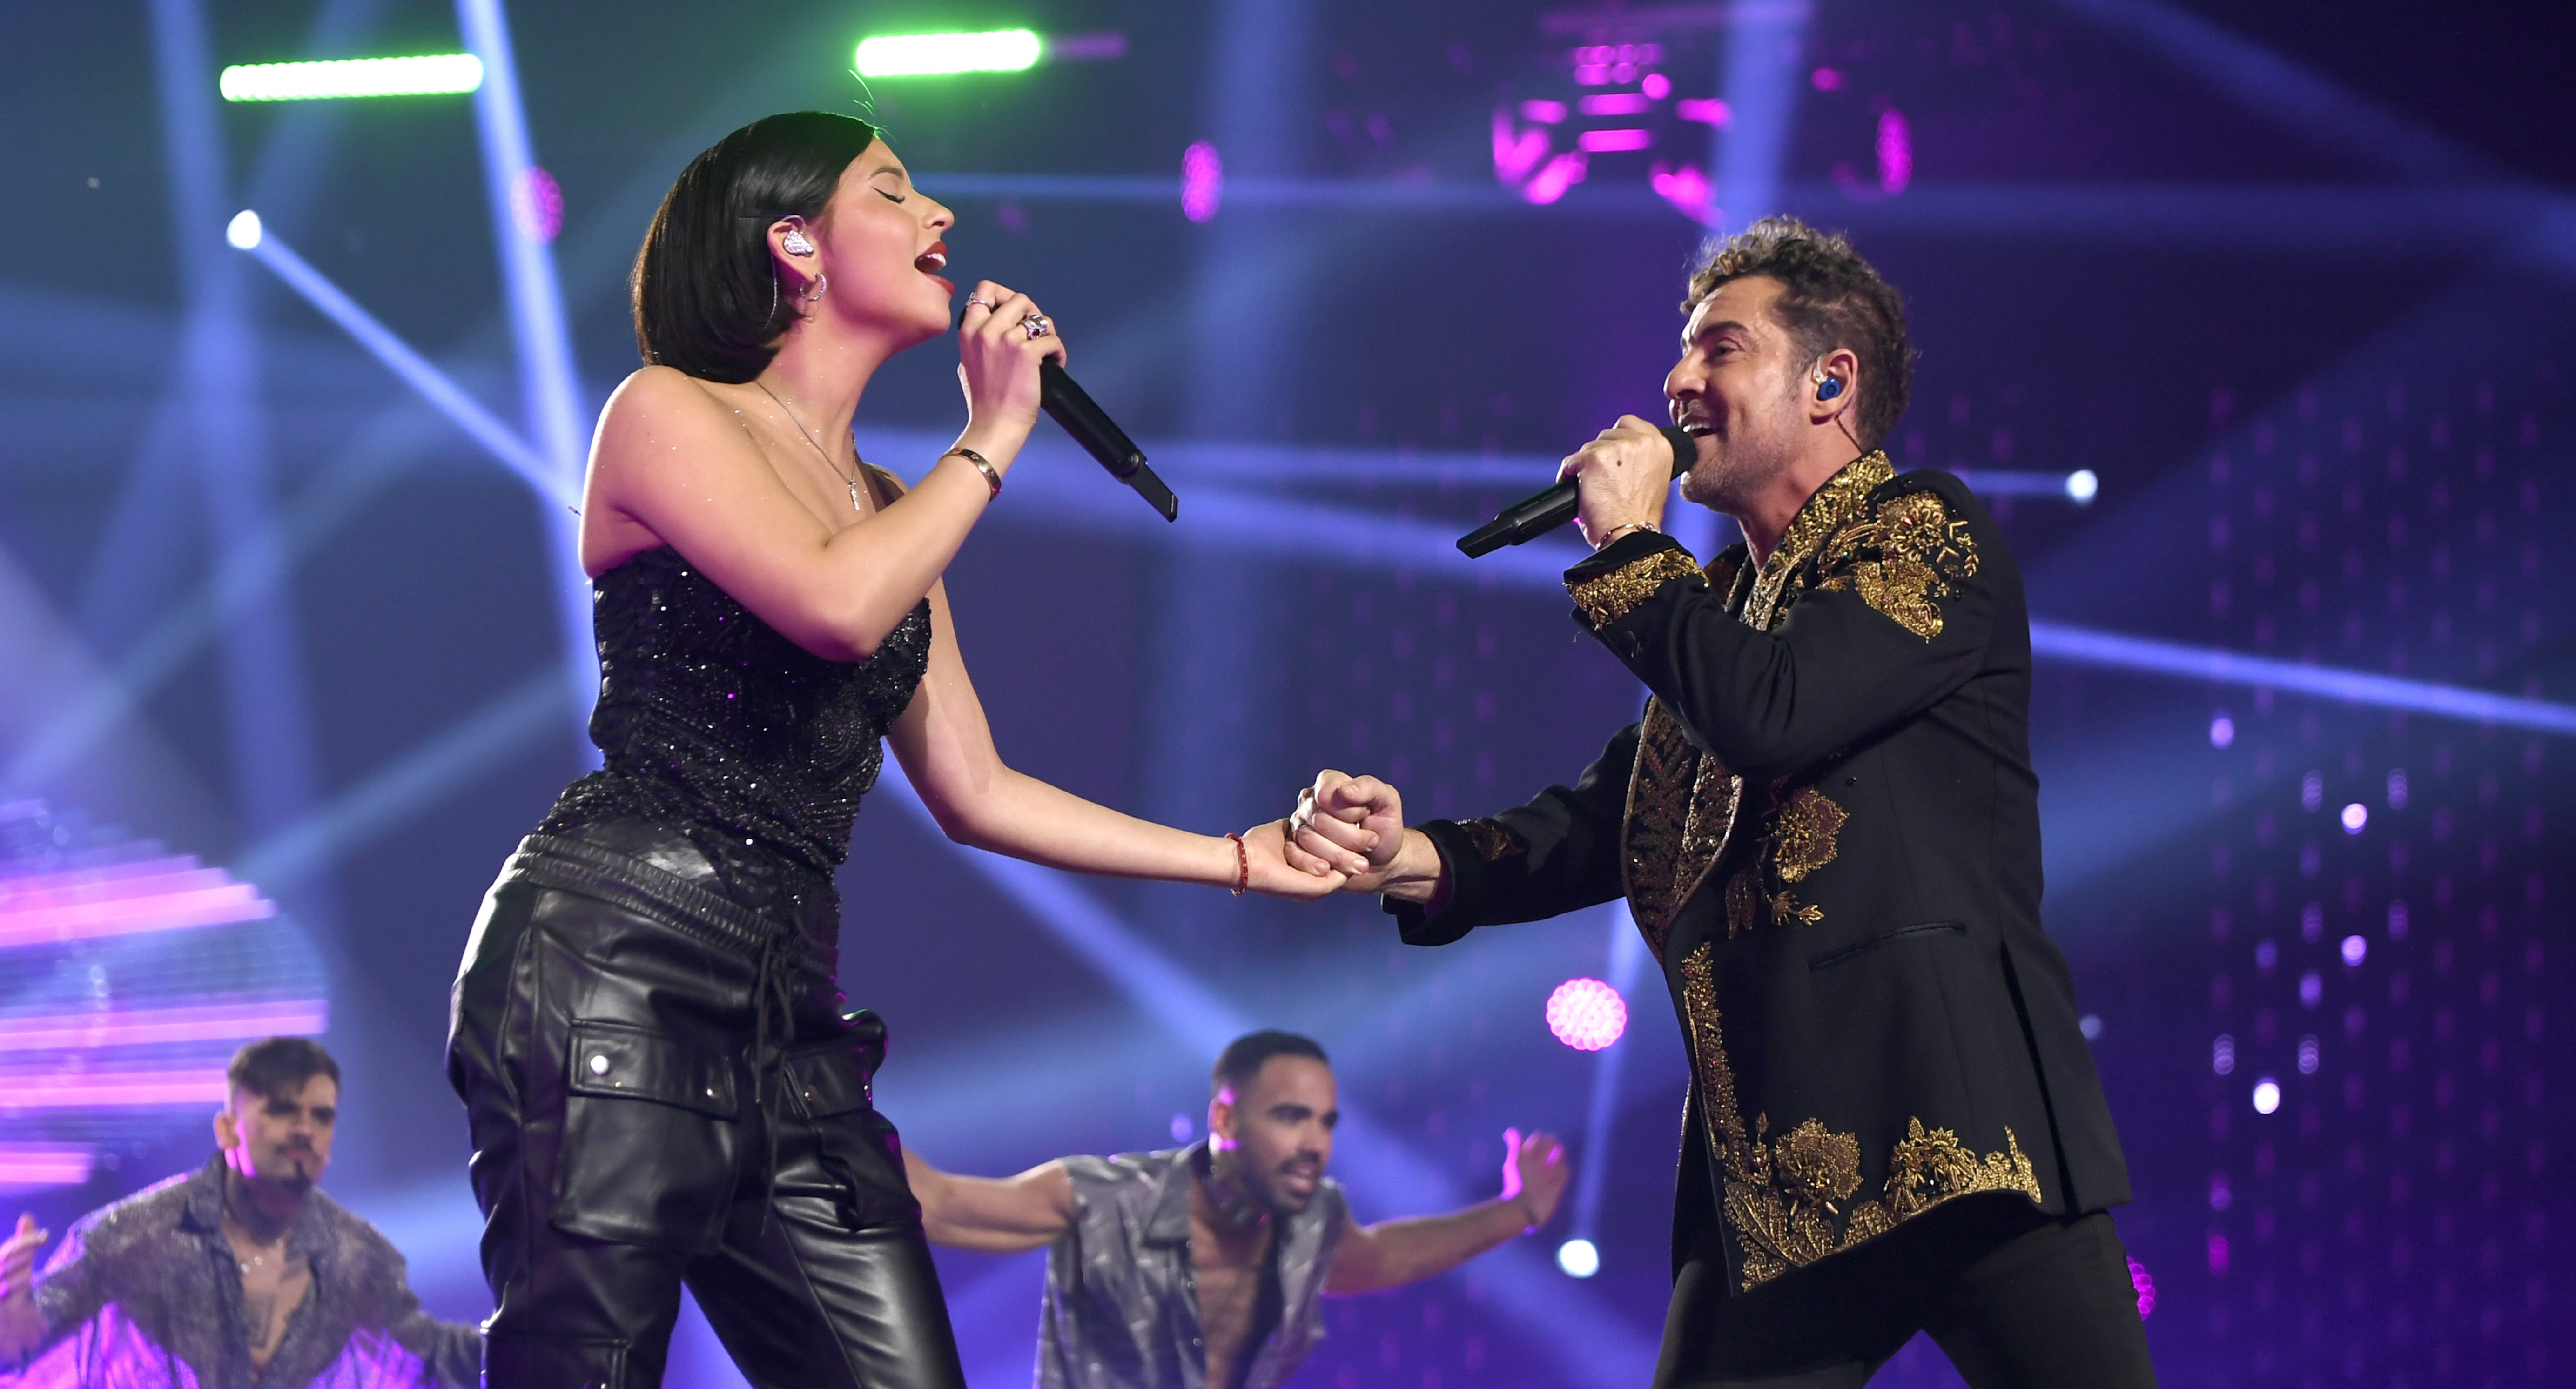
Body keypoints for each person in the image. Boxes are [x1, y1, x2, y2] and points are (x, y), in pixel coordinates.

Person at [444, 110, 1337, 1389]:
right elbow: (831, 604)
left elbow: (975, 790)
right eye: (894, 192)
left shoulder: (885, 509)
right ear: (795, 245)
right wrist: (992, 435)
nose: (942, 221)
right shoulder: (666, 413)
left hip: (793, 1024)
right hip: (616, 963)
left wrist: (1237, 859)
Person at [1285, 217, 2158, 1387]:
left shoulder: (1924, 534)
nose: (1675, 382)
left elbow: (1775, 709)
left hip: (1958, 1142)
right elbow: (1609, 821)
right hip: (1778, 1190)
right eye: (1679, 351)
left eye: (1717, 350)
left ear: (1827, 381)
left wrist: (1631, 549)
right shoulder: (1723, 606)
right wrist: (1411, 855)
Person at [900, 1030, 1569, 1389]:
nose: (1315, 1143)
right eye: (1289, 1117)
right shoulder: (1104, 1197)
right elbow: (939, 1205)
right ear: (1225, 1115)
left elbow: (1383, 1258)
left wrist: (1518, 1212)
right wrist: (823, 1083)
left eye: (1325, 1122)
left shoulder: (1314, 1222)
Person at [0, 1038, 477, 1387]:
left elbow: (430, 1360)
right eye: (282, 1111)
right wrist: (9, 1337)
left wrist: (541, 1333)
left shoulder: (357, 1257)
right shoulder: (129, 1239)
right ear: (227, 1129)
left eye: (321, 1116)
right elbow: (27, 1345)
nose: (304, 1130)